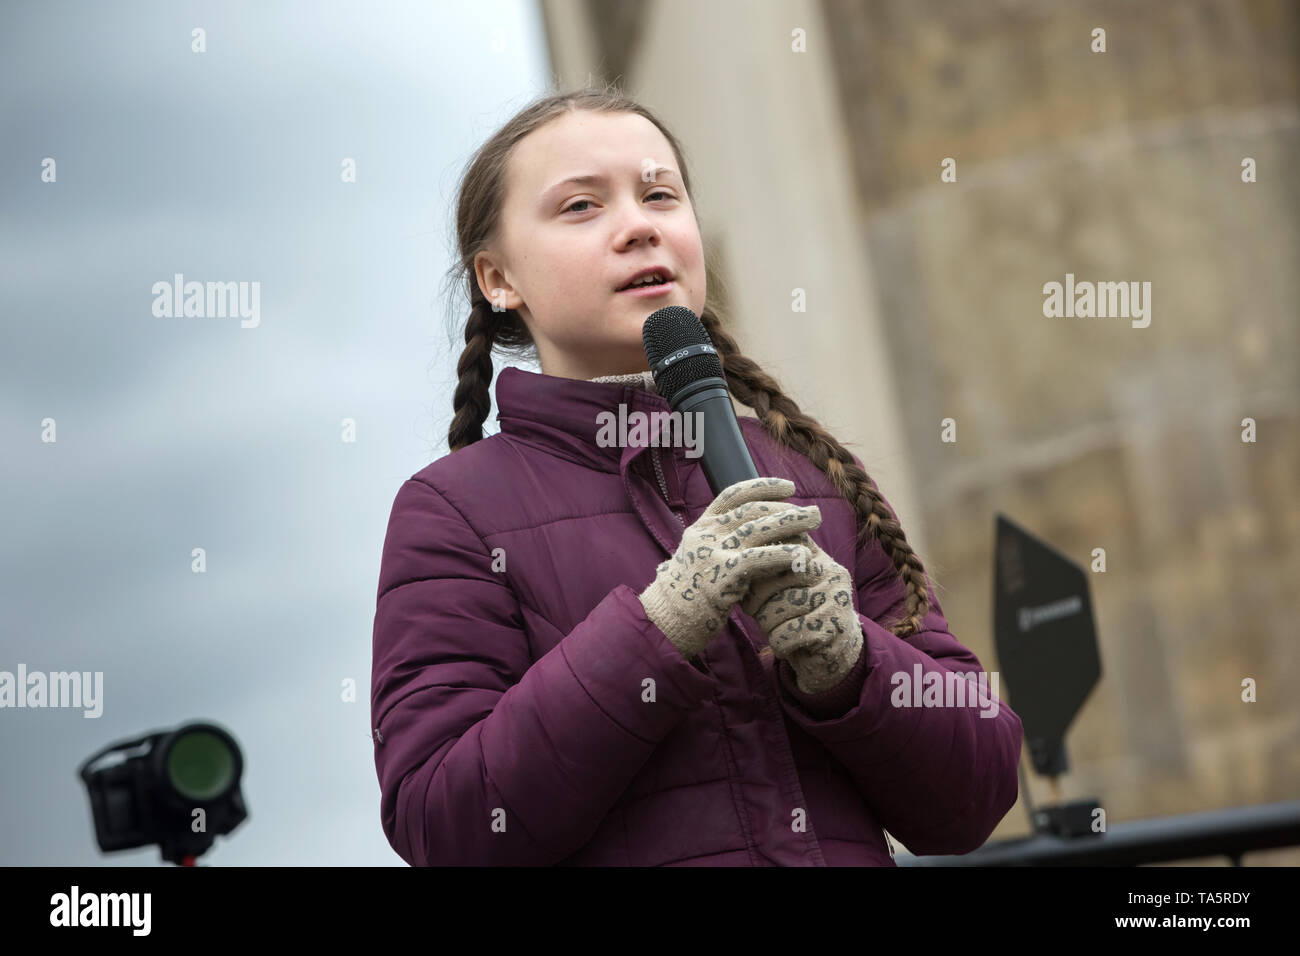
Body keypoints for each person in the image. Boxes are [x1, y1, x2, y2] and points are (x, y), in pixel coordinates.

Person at [370, 84, 1023, 866]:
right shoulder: (452, 512)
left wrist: (850, 670)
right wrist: (659, 629)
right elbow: (446, 826)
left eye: (660, 195)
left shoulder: (809, 476)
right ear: (498, 279)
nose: (639, 225)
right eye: (582, 207)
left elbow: (974, 797)